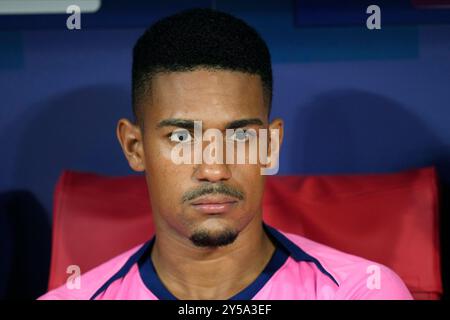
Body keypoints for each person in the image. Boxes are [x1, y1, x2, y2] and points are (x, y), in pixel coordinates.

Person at [39, 8, 412, 300]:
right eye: (182, 138)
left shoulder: (362, 292)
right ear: (135, 148)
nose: (214, 169)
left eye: (240, 136)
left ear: (271, 145)